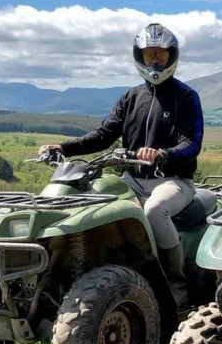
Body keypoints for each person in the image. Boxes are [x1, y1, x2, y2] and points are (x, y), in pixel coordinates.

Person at [39, 23, 204, 305]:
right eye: (149, 55)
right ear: (140, 57)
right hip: (133, 180)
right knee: (94, 205)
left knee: (154, 210)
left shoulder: (186, 97)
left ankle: (176, 286)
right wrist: (63, 148)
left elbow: (192, 143)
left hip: (174, 181)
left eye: (160, 55)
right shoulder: (131, 97)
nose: (154, 61)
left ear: (171, 57)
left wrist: (163, 154)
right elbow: (103, 135)